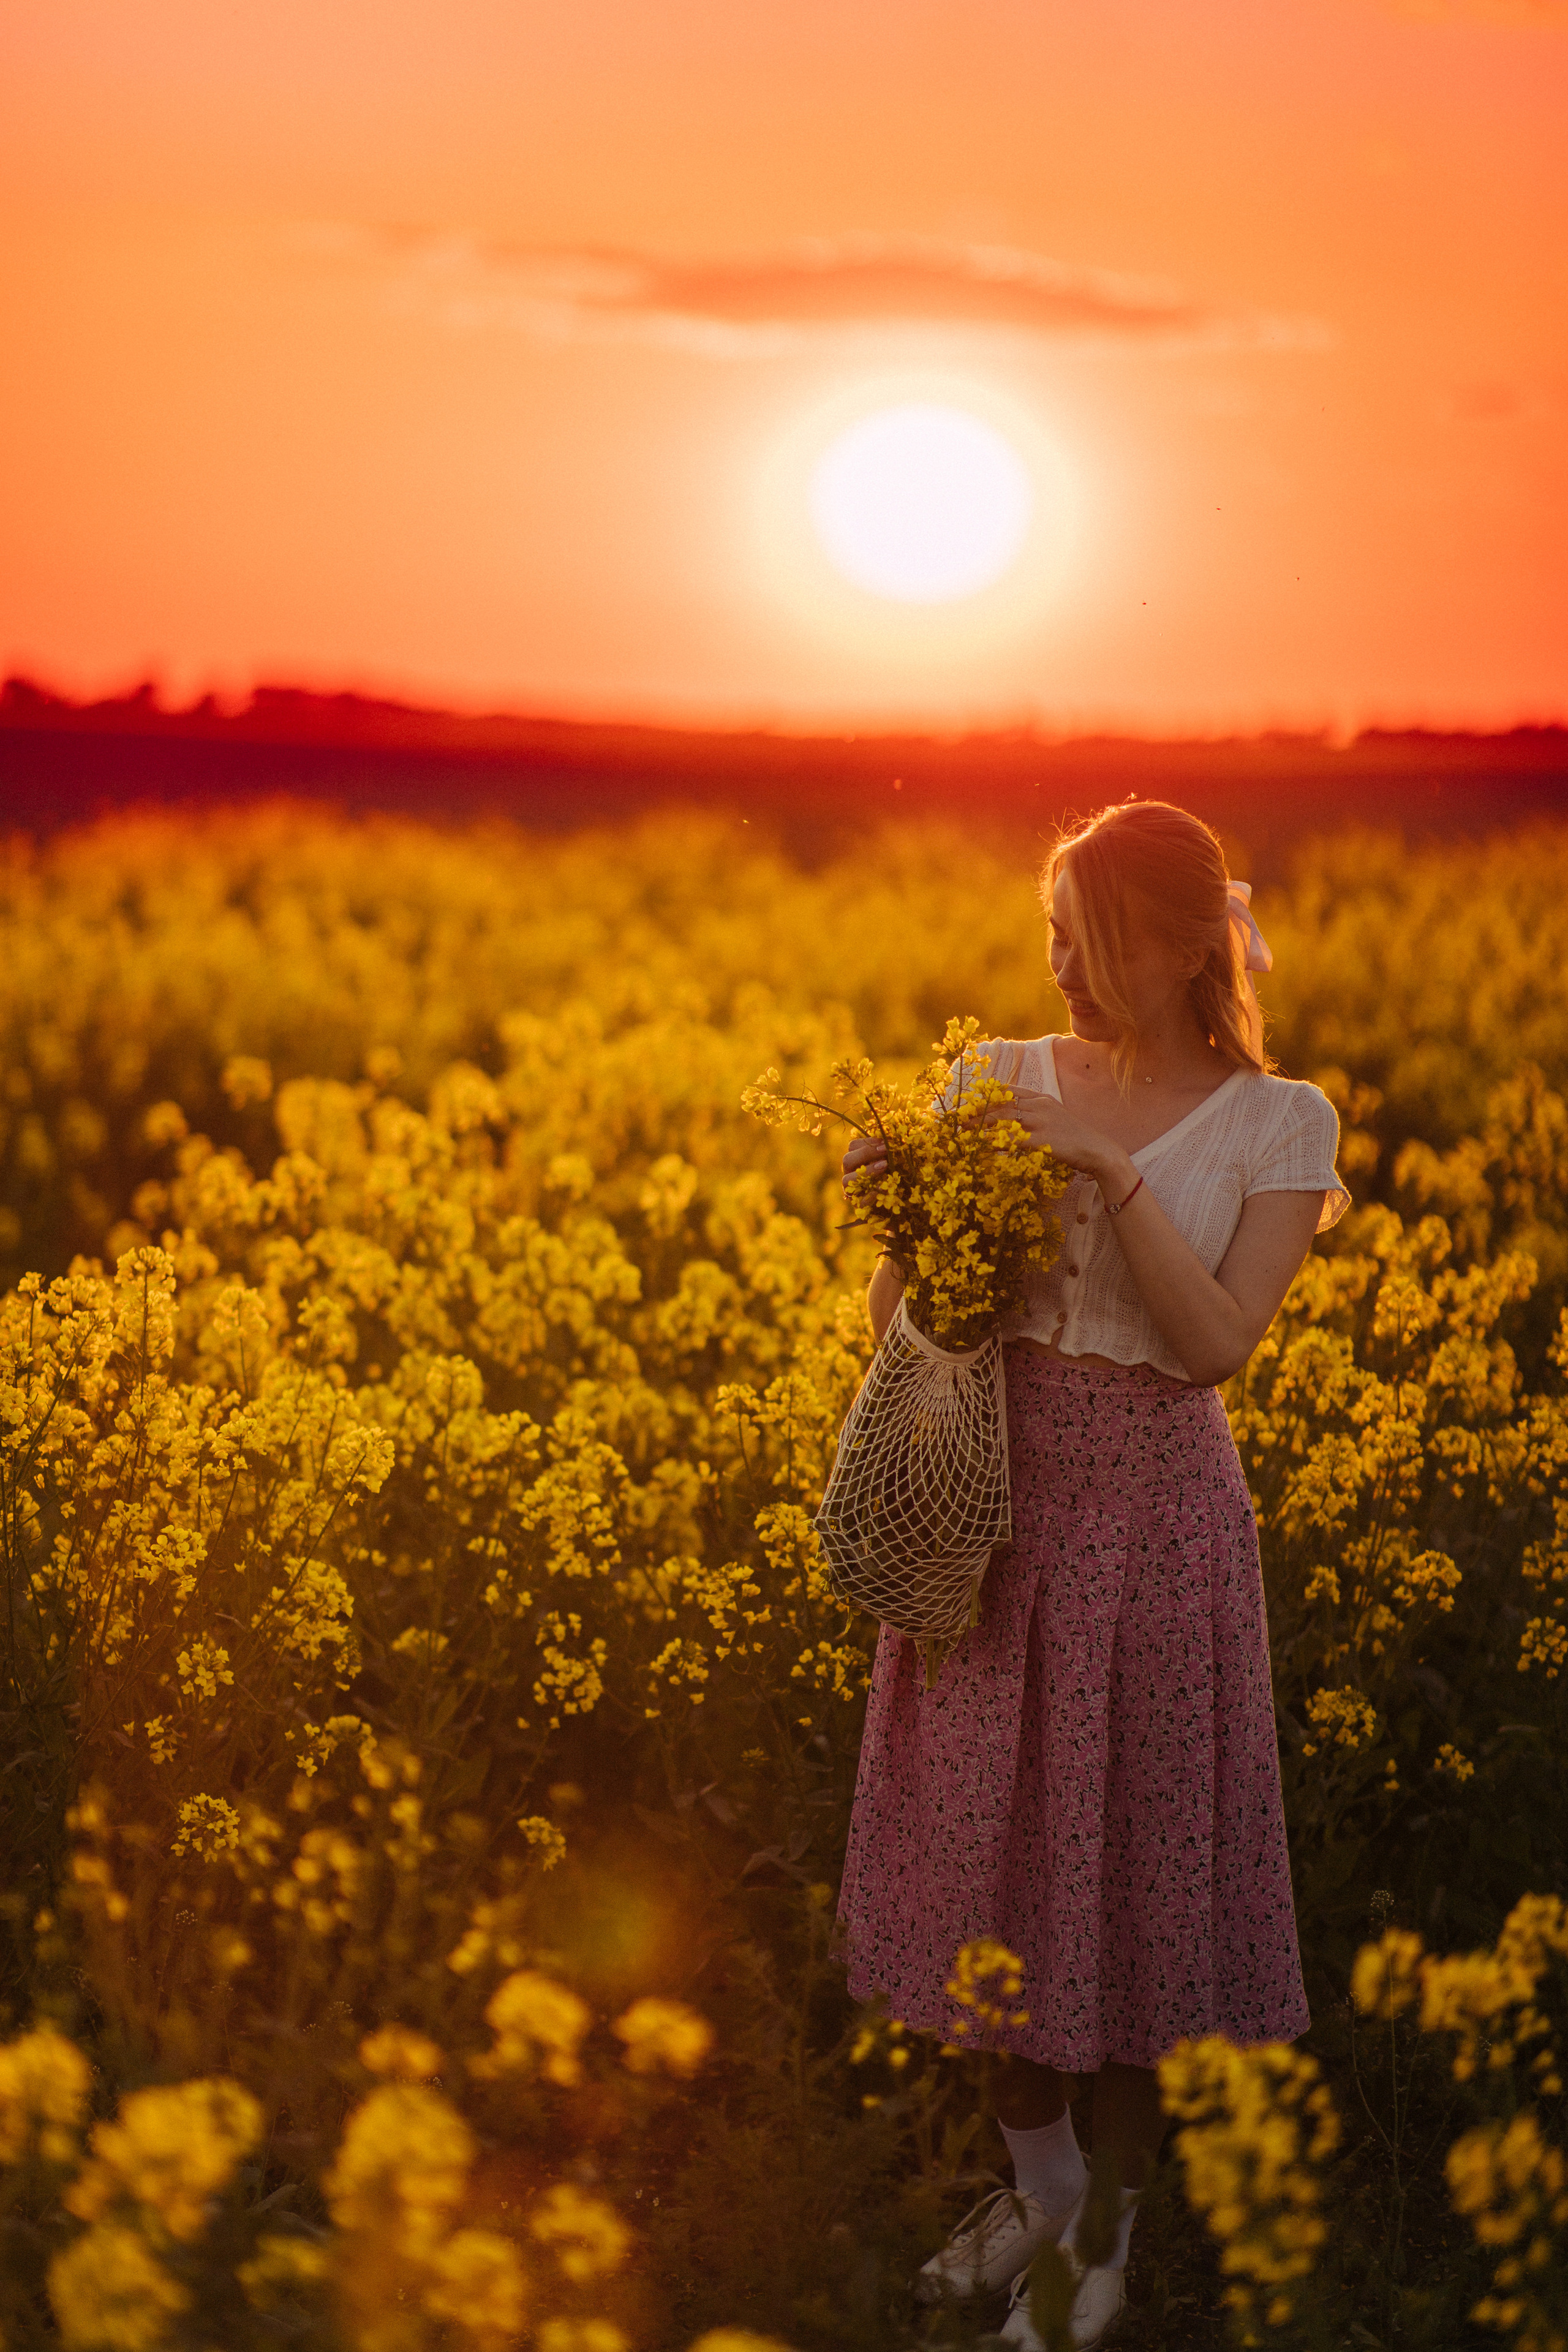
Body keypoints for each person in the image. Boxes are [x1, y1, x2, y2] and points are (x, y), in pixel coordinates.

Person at [835, 799, 1348, 2351]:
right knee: (989, 1865)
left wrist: (1107, 1178)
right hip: (988, 1510)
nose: (1056, 971)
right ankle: (1043, 2199)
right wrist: (915, 1207)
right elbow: (894, 1324)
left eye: (1090, 942)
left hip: (1159, 1534)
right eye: (1048, 937)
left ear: (1186, 947)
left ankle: (1100, 2248)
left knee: (1130, 1880)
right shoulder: (993, 1076)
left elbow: (1211, 1352)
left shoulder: (1280, 1125)